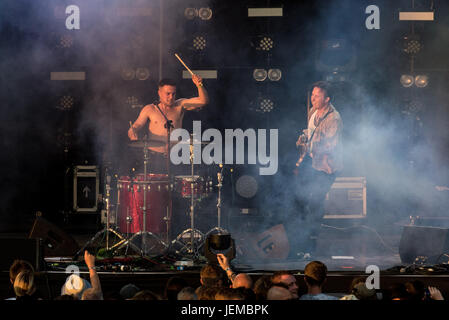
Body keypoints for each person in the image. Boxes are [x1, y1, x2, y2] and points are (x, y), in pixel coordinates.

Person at [290, 80, 343, 256]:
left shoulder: (334, 118)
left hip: (326, 167)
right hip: (312, 163)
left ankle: (310, 246)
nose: (313, 98)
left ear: (327, 99)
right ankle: (300, 239)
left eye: (317, 96)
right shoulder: (313, 111)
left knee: (315, 204)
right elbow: (309, 130)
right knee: (300, 200)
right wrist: (303, 138)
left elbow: (332, 146)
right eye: (312, 95)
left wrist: (315, 145)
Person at [127, 74, 209, 173]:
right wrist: (132, 133)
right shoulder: (150, 109)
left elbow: (203, 101)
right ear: (159, 93)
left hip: (176, 155)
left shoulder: (181, 105)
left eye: (173, 94)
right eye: (168, 93)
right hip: (154, 157)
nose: (171, 97)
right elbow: (136, 125)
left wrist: (199, 85)